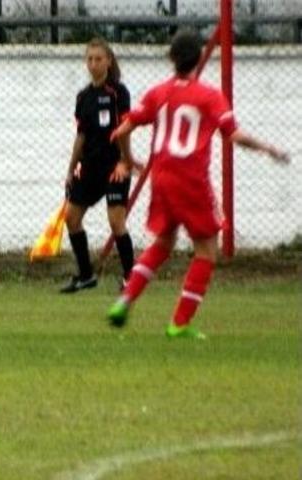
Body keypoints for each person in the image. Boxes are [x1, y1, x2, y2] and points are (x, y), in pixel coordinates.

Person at [106, 31, 289, 338]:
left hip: (161, 178)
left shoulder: (157, 93)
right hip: (190, 178)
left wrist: (128, 159)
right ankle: (179, 323)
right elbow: (234, 135)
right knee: (206, 250)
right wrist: (268, 148)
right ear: (201, 57)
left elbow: (121, 130)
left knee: (163, 243)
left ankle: (125, 299)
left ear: (171, 59)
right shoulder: (208, 95)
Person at [60, 38, 138, 294]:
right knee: (71, 217)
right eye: (90, 59)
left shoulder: (118, 93)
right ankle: (86, 275)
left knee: (116, 222)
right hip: (90, 169)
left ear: (108, 61)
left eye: (98, 58)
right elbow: (81, 137)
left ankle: (130, 278)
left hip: (114, 168)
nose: (93, 63)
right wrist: (71, 169)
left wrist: (124, 162)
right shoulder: (83, 97)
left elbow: (125, 130)